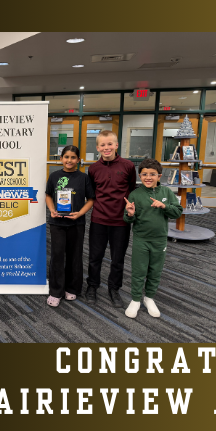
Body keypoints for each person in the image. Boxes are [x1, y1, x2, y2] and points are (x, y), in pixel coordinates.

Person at [123, 159, 184, 318]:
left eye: (152, 174)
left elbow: (177, 212)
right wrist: (130, 213)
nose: (148, 177)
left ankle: (149, 297)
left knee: (155, 270)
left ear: (159, 176)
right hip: (141, 239)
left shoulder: (167, 193)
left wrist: (164, 206)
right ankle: (136, 299)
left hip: (160, 240)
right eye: (144, 174)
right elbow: (128, 219)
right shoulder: (135, 194)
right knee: (139, 270)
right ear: (140, 176)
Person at [84, 130, 137, 308]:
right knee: (95, 256)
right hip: (98, 219)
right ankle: (92, 286)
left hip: (120, 221)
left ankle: (114, 289)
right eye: (102, 145)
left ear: (116, 145)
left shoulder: (128, 166)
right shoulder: (92, 169)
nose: (106, 148)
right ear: (97, 147)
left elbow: (131, 190)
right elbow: (92, 193)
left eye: (110, 144)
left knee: (118, 258)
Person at [44, 145, 95, 307]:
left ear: (78, 160)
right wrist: (52, 210)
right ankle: (56, 291)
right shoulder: (54, 176)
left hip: (76, 223)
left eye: (73, 157)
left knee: (75, 255)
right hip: (57, 222)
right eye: (66, 157)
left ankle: (72, 288)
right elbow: (48, 196)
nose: (69, 160)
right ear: (61, 159)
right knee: (57, 256)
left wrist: (80, 213)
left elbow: (91, 200)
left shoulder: (83, 178)